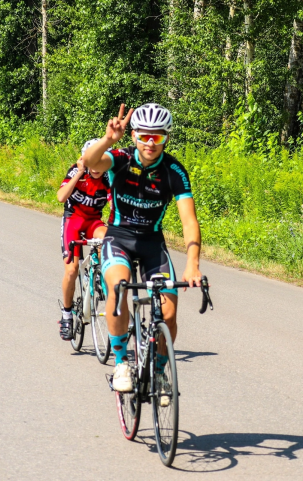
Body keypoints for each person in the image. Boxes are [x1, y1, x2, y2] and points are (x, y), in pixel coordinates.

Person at [81, 103, 202, 392]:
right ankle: (122, 363)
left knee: (169, 313)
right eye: (145, 136)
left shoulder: (174, 171)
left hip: (152, 243)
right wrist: (108, 140)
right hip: (119, 238)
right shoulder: (120, 158)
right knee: (119, 286)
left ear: (166, 138)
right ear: (134, 135)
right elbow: (90, 162)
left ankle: (160, 373)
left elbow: (189, 221)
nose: (150, 143)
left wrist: (193, 262)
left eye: (157, 137)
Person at [55, 138, 111, 340]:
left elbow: (115, 208)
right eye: (91, 162)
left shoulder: (109, 179)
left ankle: (99, 276)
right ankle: (67, 314)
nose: (95, 168)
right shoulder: (76, 172)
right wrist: (79, 172)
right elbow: (61, 197)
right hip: (73, 221)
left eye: (100, 163)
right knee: (71, 270)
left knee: (108, 238)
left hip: (93, 223)